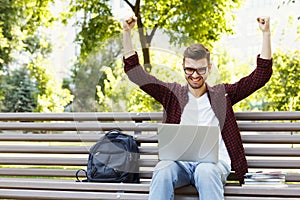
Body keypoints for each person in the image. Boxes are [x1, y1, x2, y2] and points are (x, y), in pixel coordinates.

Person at [122, 15, 272, 200]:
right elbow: (136, 74)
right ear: (183, 67)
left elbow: (261, 75)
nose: (195, 75)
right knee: (162, 170)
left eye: (200, 69)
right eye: (189, 69)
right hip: (181, 165)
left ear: (209, 68)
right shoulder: (171, 94)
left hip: (213, 165)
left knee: (205, 171)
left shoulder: (222, 94)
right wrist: (127, 33)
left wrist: (266, 34)